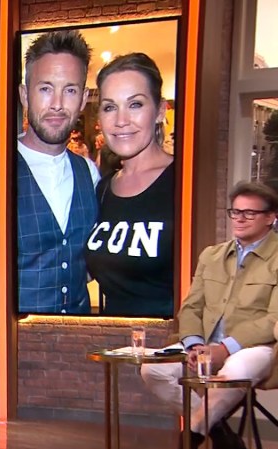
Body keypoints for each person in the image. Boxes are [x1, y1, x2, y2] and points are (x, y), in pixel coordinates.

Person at [140, 181, 278, 449]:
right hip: (204, 344)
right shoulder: (211, 256)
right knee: (152, 369)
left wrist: (224, 349)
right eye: (235, 212)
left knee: (234, 372)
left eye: (249, 213)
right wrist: (194, 345)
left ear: (270, 217)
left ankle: (190, 437)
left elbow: (273, 319)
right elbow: (191, 307)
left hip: (257, 347)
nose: (239, 219)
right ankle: (221, 434)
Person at [16, 30, 101, 314]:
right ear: (24, 95)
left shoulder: (89, 173)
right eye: (45, 89)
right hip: (16, 336)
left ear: (83, 98)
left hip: (79, 333)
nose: (57, 104)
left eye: (70, 90)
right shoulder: (2, 170)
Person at [84, 53, 175, 317]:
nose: (121, 120)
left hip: (170, 339)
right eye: (109, 107)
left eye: (135, 104)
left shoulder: (184, 184)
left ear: (160, 111)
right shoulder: (103, 189)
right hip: (111, 337)